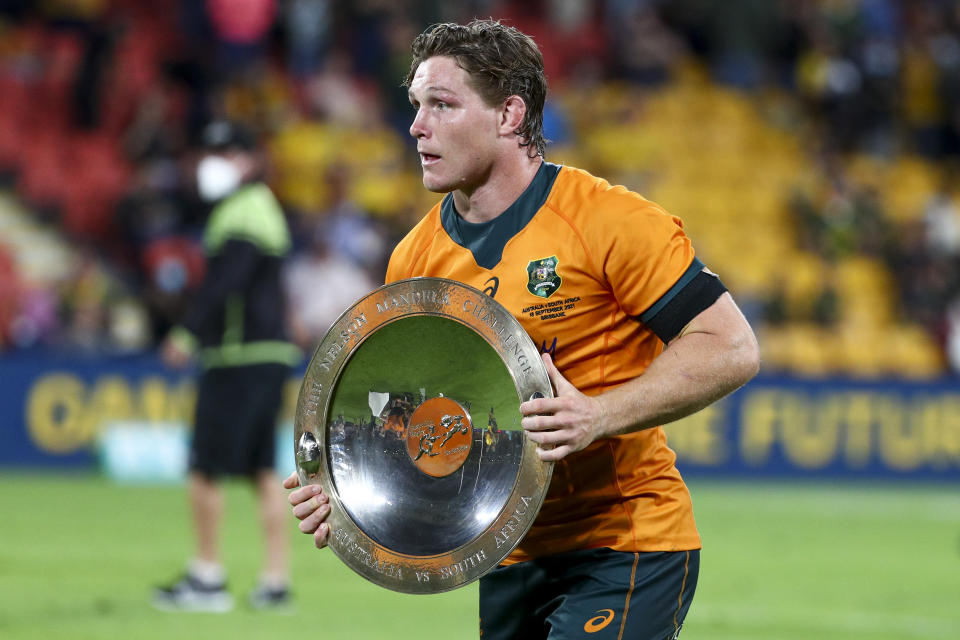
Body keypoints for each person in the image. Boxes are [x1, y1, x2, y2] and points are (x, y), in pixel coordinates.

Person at [285, 19, 760, 639]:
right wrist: (350, 491)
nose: (416, 126)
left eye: (443, 105)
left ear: (510, 114)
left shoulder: (611, 221)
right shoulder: (414, 261)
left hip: (626, 540)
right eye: (416, 106)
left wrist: (599, 415)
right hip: (506, 549)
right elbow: (426, 418)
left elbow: (731, 347)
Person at [154, 119, 301, 612]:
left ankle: (208, 578)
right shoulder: (265, 209)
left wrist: (187, 334)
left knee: (204, 466)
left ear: (249, 159)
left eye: (229, 152)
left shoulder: (240, 212)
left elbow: (225, 285)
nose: (215, 162)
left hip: (238, 355)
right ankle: (275, 581)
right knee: (262, 469)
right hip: (271, 354)